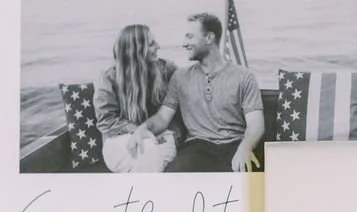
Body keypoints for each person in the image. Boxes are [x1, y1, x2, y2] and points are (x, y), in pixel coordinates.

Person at [128, 13, 265, 172]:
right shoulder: (180, 77)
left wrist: (245, 148)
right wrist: (143, 128)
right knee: (173, 177)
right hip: (197, 147)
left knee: (252, 179)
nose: (184, 44)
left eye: (190, 37)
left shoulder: (244, 76)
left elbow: (256, 125)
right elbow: (162, 117)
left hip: (235, 144)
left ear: (209, 38)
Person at [94, 24, 181, 173]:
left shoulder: (167, 69)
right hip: (119, 140)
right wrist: (138, 131)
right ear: (137, 50)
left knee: (150, 153)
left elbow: (176, 105)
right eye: (152, 44)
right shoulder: (108, 78)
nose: (158, 46)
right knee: (148, 151)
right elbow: (106, 120)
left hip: (161, 134)